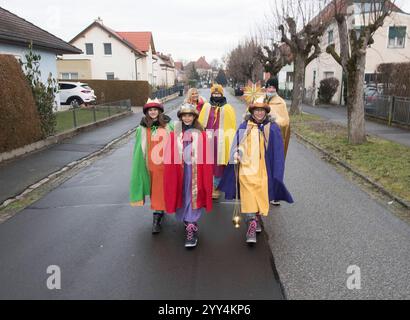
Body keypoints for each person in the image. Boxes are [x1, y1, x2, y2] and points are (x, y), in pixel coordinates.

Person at [218, 96, 294, 244]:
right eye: (256, 110)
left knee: (260, 196)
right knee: (248, 196)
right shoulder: (244, 126)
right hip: (246, 171)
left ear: (266, 112)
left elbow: (278, 153)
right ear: (252, 111)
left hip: (264, 171)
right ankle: (251, 223)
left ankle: (256, 217)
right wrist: (236, 154)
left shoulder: (272, 128)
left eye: (262, 110)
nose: (259, 113)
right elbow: (236, 145)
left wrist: (277, 173)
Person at [163, 103, 213, 248]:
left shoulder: (201, 134)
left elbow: (207, 155)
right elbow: (169, 154)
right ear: (180, 117)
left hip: (195, 171)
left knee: (193, 195)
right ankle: (187, 219)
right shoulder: (174, 134)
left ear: (194, 117)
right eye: (184, 115)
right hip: (180, 171)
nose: (187, 118)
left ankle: (191, 224)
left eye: (190, 115)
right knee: (182, 194)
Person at [129, 98, 174, 234]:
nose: (153, 112)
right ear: (147, 112)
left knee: (166, 188)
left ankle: (163, 212)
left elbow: (175, 142)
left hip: (166, 164)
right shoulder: (142, 128)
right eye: (150, 110)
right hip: (151, 165)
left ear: (159, 111)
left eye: (155, 110)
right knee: (156, 190)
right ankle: (157, 215)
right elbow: (139, 149)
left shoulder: (168, 125)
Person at [198, 83, 236, 200]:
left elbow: (231, 125)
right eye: (214, 93)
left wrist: (230, 139)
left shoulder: (228, 108)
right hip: (208, 139)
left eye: (218, 93)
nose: (216, 95)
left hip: (221, 140)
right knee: (207, 162)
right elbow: (200, 123)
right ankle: (207, 185)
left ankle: (216, 186)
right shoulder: (206, 107)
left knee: (219, 163)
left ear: (222, 94)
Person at [264, 77, 291, 206]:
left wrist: (274, 120)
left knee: (275, 165)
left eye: (273, 87)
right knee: (262, 165)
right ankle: (263, 191)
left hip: (274, 139)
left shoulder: (281, 103)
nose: (271, 89)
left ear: (276, 89)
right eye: (269, 87)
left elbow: (285, 122)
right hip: (261, 138)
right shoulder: (259, 100)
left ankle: (274, 195)